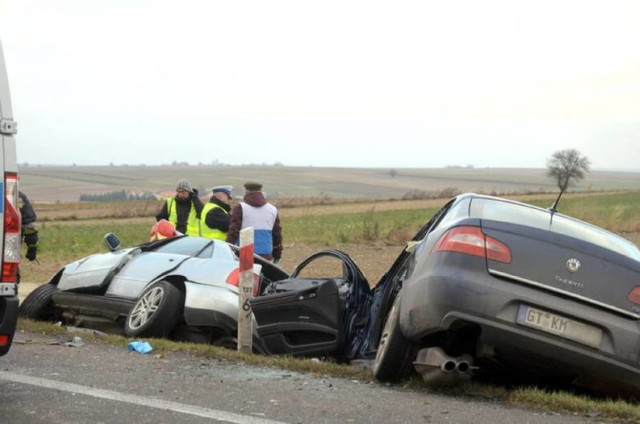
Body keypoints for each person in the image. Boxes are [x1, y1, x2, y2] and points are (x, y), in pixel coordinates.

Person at [226, 182, 282, 263]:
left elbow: (233, 232)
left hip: (245, 253)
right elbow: (277, 235)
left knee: (246, 276)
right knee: (263, 275)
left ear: (246, 192)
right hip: (266, 254)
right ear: (261, 192)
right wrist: (277, 254)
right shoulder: (272, 209)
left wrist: (227, 250)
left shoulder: (240, 208)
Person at [19, 191, 38, 262]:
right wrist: (32, 248)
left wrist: (32, 247)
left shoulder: (18, 198)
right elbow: (30, 224)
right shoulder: (18, 197)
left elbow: (29, 224)